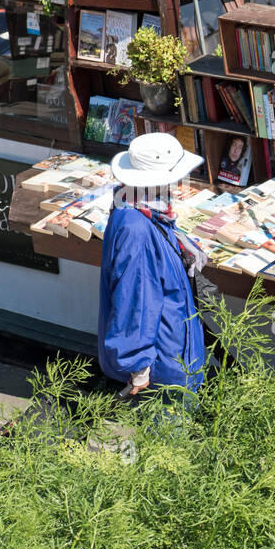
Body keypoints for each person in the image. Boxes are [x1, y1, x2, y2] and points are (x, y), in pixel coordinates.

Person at [99, 133, 207, 398]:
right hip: (164, 366)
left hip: (169, 353)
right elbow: (135, 302)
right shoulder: (137, 228)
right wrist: (138, 368)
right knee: (168, 434)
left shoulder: (136, 207)